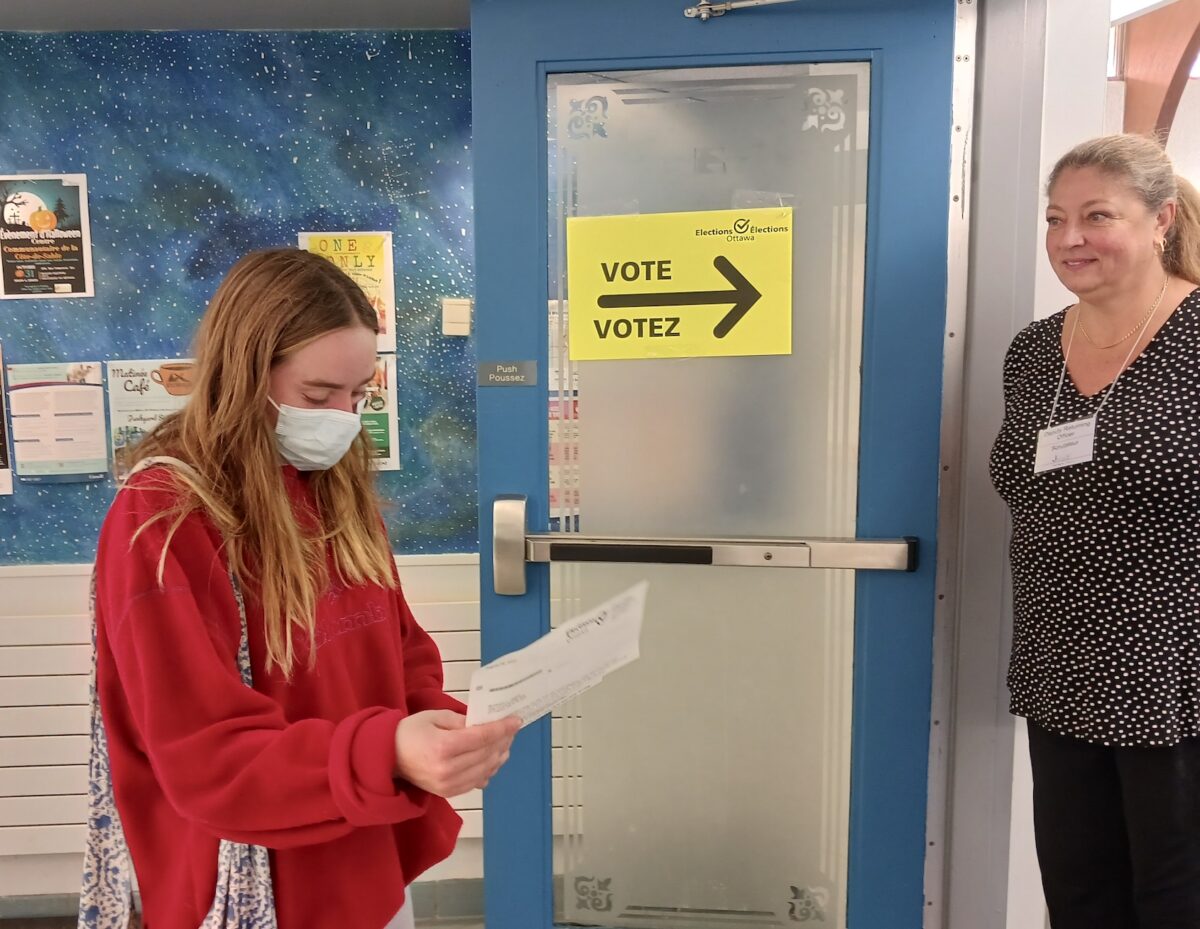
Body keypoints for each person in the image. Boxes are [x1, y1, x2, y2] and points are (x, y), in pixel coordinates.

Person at [84, 247, 520, 929]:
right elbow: (206, 755)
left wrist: (442, 728)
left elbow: (400, 651)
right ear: (243, 372)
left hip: (368, 858)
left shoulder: (339, 491)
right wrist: (388, 751)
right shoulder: (165, 518)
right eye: (319, 396)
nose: (343, 419)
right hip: (260, 889)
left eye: (358, 395)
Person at [991, 133, 1200, 929]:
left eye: (1096, 216)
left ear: (1160, 221)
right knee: (1079, 898)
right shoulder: (1035, 351)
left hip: (1177, 680)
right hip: (1061, 670)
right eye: (1055, 219)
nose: (1069, 238)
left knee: (1177, 902)